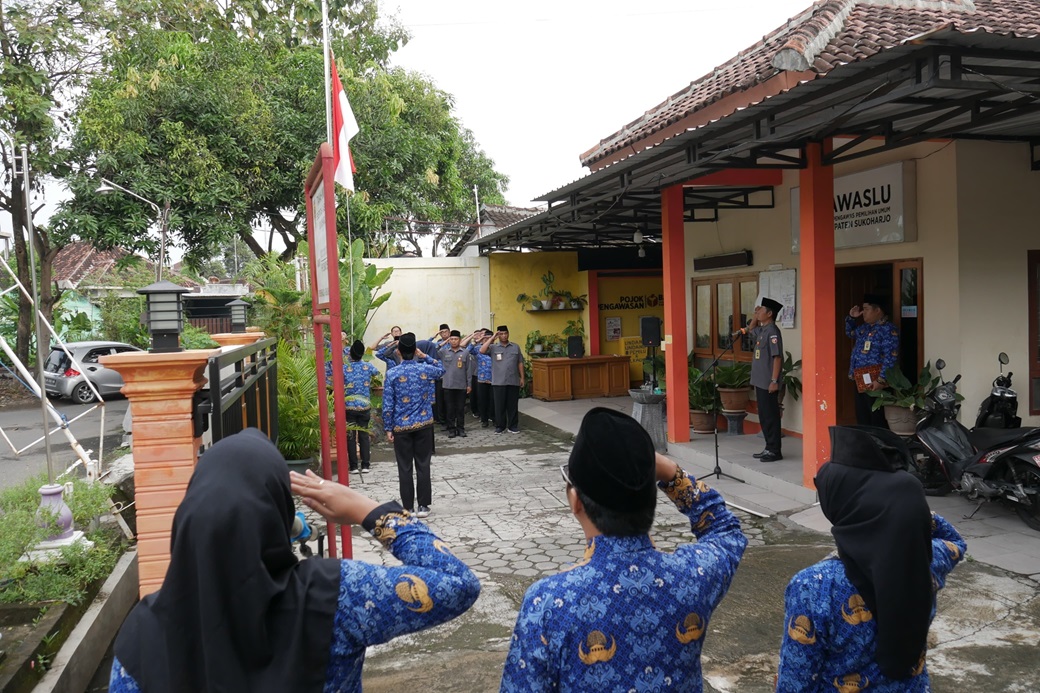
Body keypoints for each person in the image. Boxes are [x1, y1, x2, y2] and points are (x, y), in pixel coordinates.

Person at [108, 428, 480, 693]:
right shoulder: (336, 596)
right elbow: (458, 582)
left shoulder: (142, 636)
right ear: (277, 515)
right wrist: (365, 509)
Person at [500, 407, 748, 691]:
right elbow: (726, 530)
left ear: (575, 501)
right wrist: (672, 474)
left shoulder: (548, 603)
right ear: (652, 497)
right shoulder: (693, 576)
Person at [776, 426, 966, 692]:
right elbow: (955, 540)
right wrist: (907, 508)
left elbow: (796, 680)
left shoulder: (814, 586)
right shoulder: (927, 561)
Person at [383, 332, 445, 518]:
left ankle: (408, 508)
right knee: (423, 465)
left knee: (404, 468)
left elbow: (388, 404)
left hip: (401, 427)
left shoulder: (392, 374)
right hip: (424, 425)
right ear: (415, 350)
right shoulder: (425, 369)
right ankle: (423, 506)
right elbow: (442, 368)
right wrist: (425, 356)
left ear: (399, 352)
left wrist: (388, 427)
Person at [845, 294, 900, 428]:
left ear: (877, 310)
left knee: (877, 418)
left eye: (866, 309)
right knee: (862, 415)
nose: (863, 312)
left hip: (877, 380)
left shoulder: (888, 329)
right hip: (861, 378)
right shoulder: (865, 328)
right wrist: (852, 318)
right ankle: (865, 440)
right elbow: (850, 333)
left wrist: (881, 380)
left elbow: (890, 357)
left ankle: (878, 441)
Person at [749, 297, 784, 462]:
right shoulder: (763, 330)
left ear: (769, 314)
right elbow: (751, 329)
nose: (758, 311)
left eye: (761, 310)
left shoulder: (772, 332)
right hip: (760, 381)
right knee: (764, 416)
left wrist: (774, 381)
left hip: (768, 382)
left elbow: (777, 357)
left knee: (771, 417)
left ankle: (775, 451)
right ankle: (768, 447)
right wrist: (755, 316)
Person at [338, 339, 380, 472]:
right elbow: (377, 373)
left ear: (350, 354)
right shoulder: (368, 367)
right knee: (364, 435)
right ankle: (366, 464)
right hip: (364, 406)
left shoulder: (344, 368)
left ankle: (353, 466)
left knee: (350, 437)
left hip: (349, 407)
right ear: (362, 354)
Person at [480, 325, 525, 434]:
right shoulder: (493, 347)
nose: (504, 336)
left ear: (508, 334)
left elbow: (520, 362)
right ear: (498, 335)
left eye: (505, 333)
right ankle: (500, 426)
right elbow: (482, 350)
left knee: (512, 405)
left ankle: (512, 426)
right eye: (501, 334)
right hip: (499, 382)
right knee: (499, 405)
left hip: (513, 380)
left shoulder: (515, 347)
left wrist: (522, 377)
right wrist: (492, 337)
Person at [438, 329, 476, 438]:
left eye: (456, 339)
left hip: (461, 385)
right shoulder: (444, 352)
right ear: (449, 340)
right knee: (449, 409)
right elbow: (435, 349)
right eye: (452, 339)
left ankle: (461, 429)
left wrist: (469, 385)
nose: (454, 341)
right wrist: (444, 342)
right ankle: (451, 429)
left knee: (460, 409)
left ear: (459, 340)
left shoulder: (465, 352)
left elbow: (468, 370)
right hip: (448, 385)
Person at [469, 329, 494, 428]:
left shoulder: (495, 348)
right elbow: (468, 350)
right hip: (482, 378)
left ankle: (494, 418)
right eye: (485, 338)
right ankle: (484, 419)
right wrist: (478, 340)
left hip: (494, 379)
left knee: (493, 400)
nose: (487, 340)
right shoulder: (478, 348)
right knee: (482, 400)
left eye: (489, 338)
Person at [430, 323, 451, 426]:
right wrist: (434, 337)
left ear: (449, 332)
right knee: (440, 400)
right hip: (439, 376)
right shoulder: (437, 344)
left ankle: (451, 420)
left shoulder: (453, 342)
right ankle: (442, 421)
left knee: (449, 400)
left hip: (450, 376)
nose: (444, 334)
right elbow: (430, 347)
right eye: (442, 332)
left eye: (446, 332)